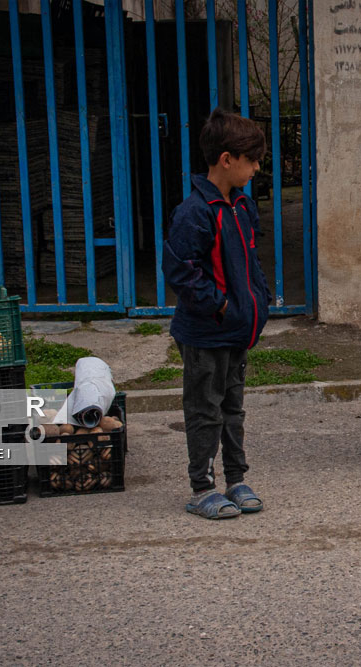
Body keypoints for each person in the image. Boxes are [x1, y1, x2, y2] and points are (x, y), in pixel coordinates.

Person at [162, 109, 271, 518]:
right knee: (204, 410)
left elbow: (250, 259)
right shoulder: (194, 212)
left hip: (237, 329)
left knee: (232, 408)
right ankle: (201, 488)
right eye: (252, 159)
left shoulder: (241, 205)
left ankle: (236, 479)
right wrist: (221, 306)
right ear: (227, 159)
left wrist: (259, 298)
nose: (257, 167)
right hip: (206, 332)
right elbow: (181, 271)